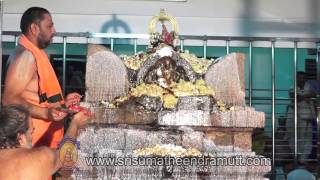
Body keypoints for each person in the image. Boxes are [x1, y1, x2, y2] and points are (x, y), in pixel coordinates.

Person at [2, 7, 81, 149]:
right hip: (34, 144)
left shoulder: (34, 53)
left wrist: (62, 105)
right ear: (34, 28)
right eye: (49, 26)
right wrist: (46, 113)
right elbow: (9, 99)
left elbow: (37, 97)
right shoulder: (25, 56)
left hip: (43, 142)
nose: (54, 30)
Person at [0, 104, 90, 180]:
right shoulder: (35, 159)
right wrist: (75, 123)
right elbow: (63, 155)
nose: (32, 136)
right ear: (21, 138)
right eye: (31, 132)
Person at [285, 72, 319, 163]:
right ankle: (297, 158)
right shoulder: (292, 87)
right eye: (299, 78)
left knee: (307, 139)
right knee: (295, 137)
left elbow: (314, 94)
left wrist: (303, 96)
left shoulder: (309, 87)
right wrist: (306, 96)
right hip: (296, 117)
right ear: (296, 79)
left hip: (308, 117)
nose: (302, 80)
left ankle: (303, 160)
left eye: (303, 78)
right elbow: (295, 96)